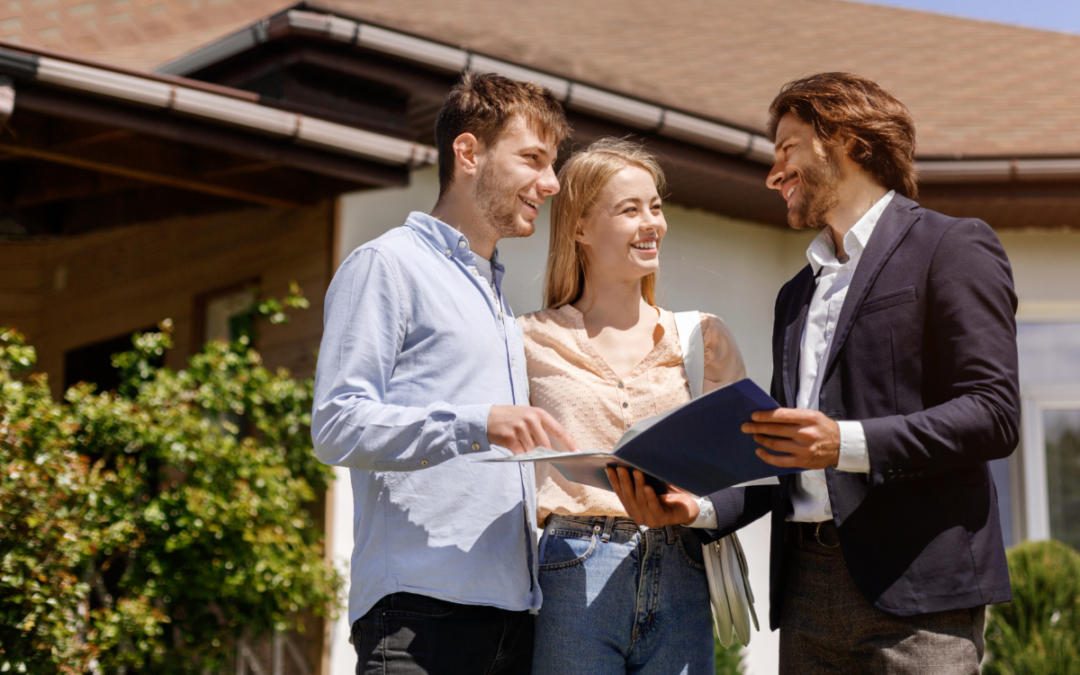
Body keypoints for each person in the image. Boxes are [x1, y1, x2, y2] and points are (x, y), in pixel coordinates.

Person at [615, 72, 1020, 674]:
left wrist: (843, 443)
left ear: (847, 139)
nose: (773, 173)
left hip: (919, 597)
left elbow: (993, 413)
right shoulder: (795, 296)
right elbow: (780, 457)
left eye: (787, 149)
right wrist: (696, 508)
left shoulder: (952, 247)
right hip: (806, 595)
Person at [311, 71, 579, 675]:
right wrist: (477, 424)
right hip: (417, 617)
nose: (551, 183)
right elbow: (336, 424)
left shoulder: (493, 294)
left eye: (552, 164)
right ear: (468, 152)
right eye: (533, 159)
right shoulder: (387, 264)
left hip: (513, 617)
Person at [518, 137, 747, 675]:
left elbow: (747, 468)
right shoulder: (525, 341)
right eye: (629, 210)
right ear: (579, 227)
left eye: (656, 206)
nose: (652, 223)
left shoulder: (702, 339)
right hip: (571, 570)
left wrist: (695, 506)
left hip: (681, 566)